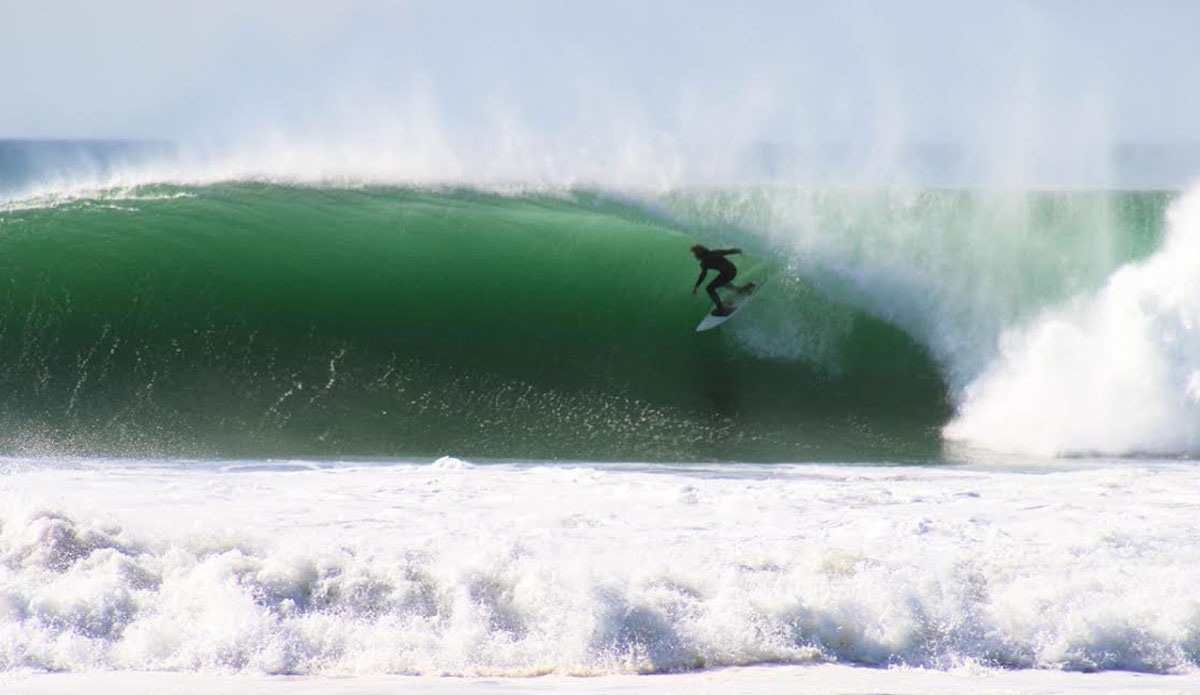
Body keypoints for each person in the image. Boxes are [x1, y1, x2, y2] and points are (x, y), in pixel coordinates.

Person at [691, 244, 751, 315]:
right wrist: (739, 251)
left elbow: (703, 275)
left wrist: (696, 286)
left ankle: (721, 309)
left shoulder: (704, 262)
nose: (695, 256)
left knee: (709, 288)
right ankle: (741, 290)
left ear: (699, 253)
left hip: (728, 273)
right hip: (732, 270)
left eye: (695, 254)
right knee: (722, 282)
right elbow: (728, 251)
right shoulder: (715, 252)